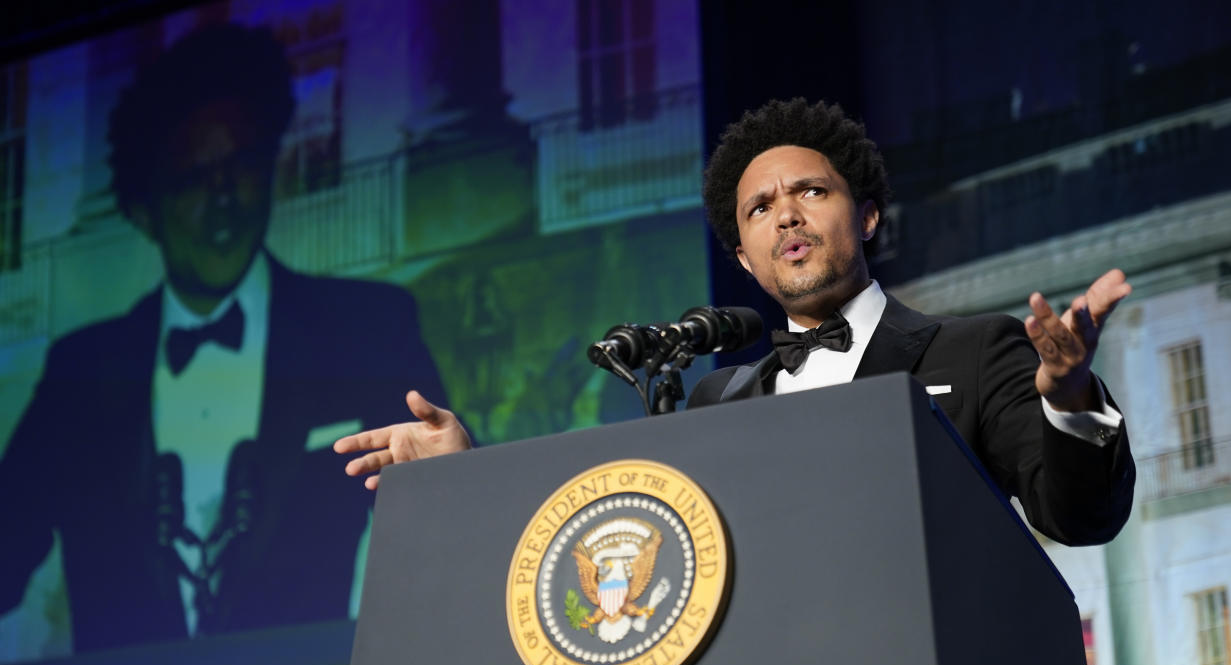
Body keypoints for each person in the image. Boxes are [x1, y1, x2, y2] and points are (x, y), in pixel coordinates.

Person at [336, 98, 1133, 546]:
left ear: (868, 219)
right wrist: (465, 476)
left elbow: (1079, 518)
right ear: (747, 262)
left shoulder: (973, 348)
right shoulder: (717, 399)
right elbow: (627, 554)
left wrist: (1068, 398)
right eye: (760, 207)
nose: (786, 213)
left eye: (812, 193)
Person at [0, 23, 448, 652]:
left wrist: (457, 476)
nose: (223, 197)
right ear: (142, 208)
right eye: (191, 177)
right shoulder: (82, 370)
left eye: (240, 164)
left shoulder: (369, 328)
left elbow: (448, 541)